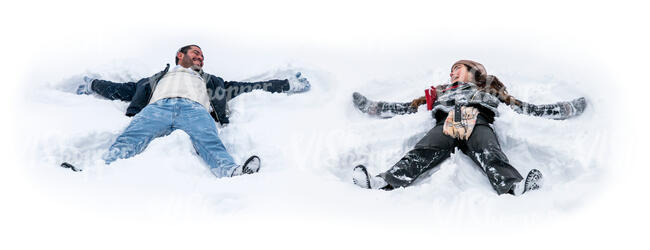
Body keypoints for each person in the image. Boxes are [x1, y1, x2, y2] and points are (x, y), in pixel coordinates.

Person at [63, 44, 310, 177]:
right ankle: (94, 170)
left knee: (210, 142)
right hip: (157, 109)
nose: (200, 58)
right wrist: (92, 84)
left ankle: (232, 171)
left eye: (202, 56)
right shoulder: (157, 78)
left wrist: (287, 84)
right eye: (196, 53)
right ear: (180, 55)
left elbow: (248, 87)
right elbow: (121, 90)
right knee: (130, 138)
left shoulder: (212, 81)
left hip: (195, 111)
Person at [352, 60, 585, 195]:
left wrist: (565, 109)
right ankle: (384, 181)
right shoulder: (441, 92)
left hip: (478, 120)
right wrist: (373, 107)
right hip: (448, 122)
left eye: (458, 68)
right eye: (451, 70)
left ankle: (514, 185)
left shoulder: (488, 91)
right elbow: (408, 107)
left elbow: (525, 108)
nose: (452, 72)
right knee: (424, 149)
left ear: (475, 72)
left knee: (489, 151)